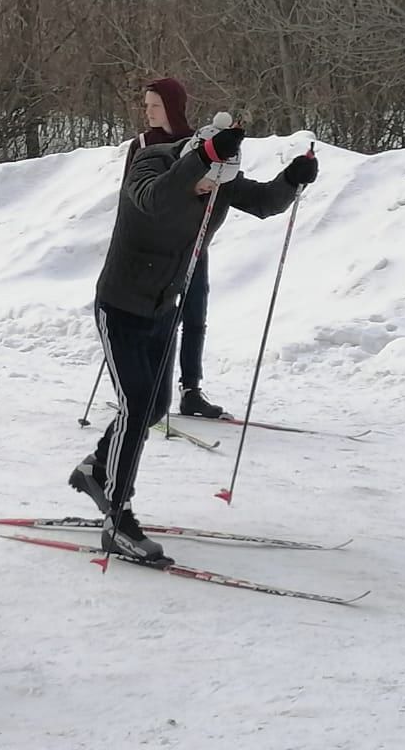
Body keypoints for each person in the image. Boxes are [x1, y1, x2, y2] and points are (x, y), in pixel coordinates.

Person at [71, 115, 318, 563]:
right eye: (205, 184)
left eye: (215, 186)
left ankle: (96, 469)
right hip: (121, 306)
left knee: (155, 406)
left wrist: (291, 180)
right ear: (193, 161)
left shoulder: (218, 178)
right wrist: (201, 160)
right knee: (137, 404)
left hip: (165, 307)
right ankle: (118, 519)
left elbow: (263, 202)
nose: (209, 193)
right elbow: (154, 199)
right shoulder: (150, 165)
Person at [123, 78, 225, 419]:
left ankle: (191, 388)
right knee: (159, 318)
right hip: (156, 248)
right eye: (147, 105)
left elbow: (218, 184)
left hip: (193, 241)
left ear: (172, 107)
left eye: (155, 105)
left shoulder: (198, 142)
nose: (148, 112)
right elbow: (135, 193)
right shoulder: (141, 144)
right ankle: (152, 389)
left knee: (195, 313)